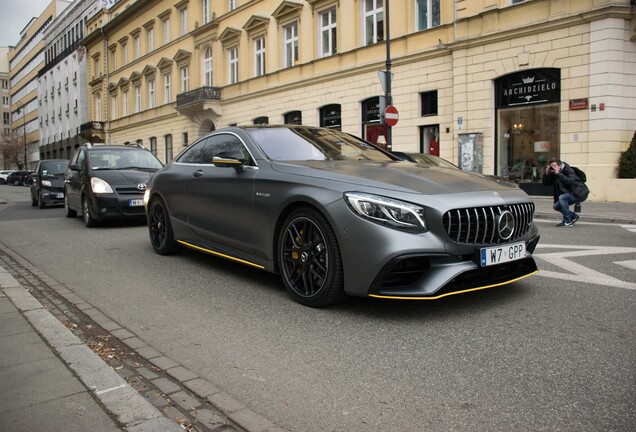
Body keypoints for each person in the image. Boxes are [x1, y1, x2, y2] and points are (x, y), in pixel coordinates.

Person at [542, 157, 589, 227]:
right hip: (572, 193)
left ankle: (568, 221)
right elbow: (546, 183)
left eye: (554, 166)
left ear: (559, 165)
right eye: (551, 166)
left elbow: (570, 182)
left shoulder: (568, 170)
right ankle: (573, 216)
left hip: (579, 193)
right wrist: (547, 174)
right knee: (556, 206)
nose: (553, 168)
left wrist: (559, 173)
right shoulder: (555, 172)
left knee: (562, 198)